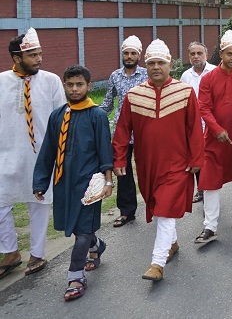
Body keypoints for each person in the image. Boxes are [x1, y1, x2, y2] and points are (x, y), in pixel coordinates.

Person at [112, 39, 204, 282]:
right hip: (147, 165)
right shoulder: (134, 95)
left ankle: (157, 263)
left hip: (178, 164)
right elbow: (122, 130)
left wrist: (196, 158)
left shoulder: (185, 92)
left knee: (164, 208)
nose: (156, 67)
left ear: (170, 65)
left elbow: (195, 128)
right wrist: (119, 159)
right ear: (146, 65)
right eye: (151, 63)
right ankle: (171, 243)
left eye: (160, 63)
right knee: (156, 205)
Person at [33, 65, 113, 301]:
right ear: (64, 86)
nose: (75, 89)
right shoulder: (57, 115)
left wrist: (108, 182)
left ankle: (75, 277)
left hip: (90, 183)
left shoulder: (97, 115)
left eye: (80, 84)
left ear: (89, 86)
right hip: (64, 183)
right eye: (70, 85)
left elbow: (105, 151)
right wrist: (40, 181)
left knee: (83, 230)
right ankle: (96, 247)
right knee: (77, 226)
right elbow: (48, 151)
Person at [0, 29, 66, 279]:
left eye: (39, 54)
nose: (39, 59)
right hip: (6, 153)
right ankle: (10, 252)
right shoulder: (1, 81)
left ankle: (37, 253)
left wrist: (60, 152)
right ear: (17, 58)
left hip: (41, 154)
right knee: (1, 202)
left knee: (38, 202)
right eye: (32, 55)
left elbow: (62, 118)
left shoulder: (51, 81)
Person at [195, 31, 232, 244]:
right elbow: (203, 107)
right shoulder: (208, 78)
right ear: (221, 54)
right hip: (213, 138)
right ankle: (210, 226)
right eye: (230, 54)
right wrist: (217, 129)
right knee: (210, 181)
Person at [100, 35, 148, 228]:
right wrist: (90, 114)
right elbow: (108, 103)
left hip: (144, 130)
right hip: (122, 132)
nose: (129, 56)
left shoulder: (147, 74)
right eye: (126, 53)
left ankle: (156, 206)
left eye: (133, 53)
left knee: (149, 170)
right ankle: (127, 212)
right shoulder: (115, 76)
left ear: (139, 55)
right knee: (122, 171)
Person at [180, 41, 216, 203]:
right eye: (192, 54)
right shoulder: (185, 76)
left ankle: (212, 189)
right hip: (193, 125)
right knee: (196, 157)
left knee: (211, 159)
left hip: (211, 123)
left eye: (199, 53)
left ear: (206, 55)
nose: (196, 56)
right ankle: (201, 190)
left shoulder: (214, 72)